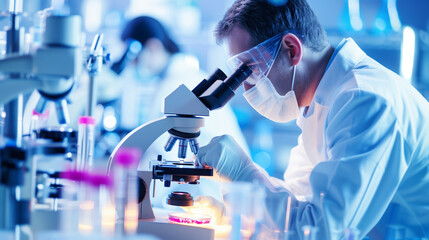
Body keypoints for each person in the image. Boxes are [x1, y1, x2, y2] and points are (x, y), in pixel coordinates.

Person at [197, 0, 429, 239]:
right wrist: (236, 213)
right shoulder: (321, 102)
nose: (246, 87)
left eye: (250, 69)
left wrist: (244, 174)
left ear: (291, 50)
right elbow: (298, 199)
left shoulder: (364, 101)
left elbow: (322, 231)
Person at [110, 16, 249, 208]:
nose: (133, 67)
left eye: (134, 59)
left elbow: (157, 152)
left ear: (153, 47)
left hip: (215, 196)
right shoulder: (190, 76)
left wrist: (133, 199)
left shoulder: (175, 83)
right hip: (226, 194)